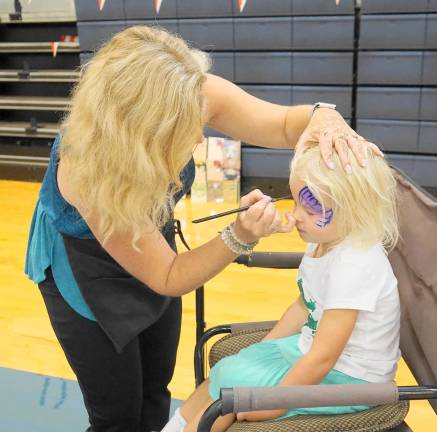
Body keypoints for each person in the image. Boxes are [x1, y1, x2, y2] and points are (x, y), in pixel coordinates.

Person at [24, 26, 380, 432]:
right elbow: (169, 275)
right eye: (182, 129)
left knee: (155, 387)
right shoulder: (90, 171)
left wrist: (324, 115)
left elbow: (283, 125)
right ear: (139, 134)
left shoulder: (188, 91)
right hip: (84, 269)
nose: (198, 137)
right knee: (117, 414)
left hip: (151, 245)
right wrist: (239, 236)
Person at [168, 145, 400, 432]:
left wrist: (277, 402)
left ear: (354, 209)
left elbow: (324, 356)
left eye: (310, 207)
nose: (296, 215)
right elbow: (304, 305)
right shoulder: (323, 240)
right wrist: (264, 348)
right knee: (227, 369)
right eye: (295, 201)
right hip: (314, 352)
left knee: (233, 393)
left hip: (352, 379)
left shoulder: (354, 264)